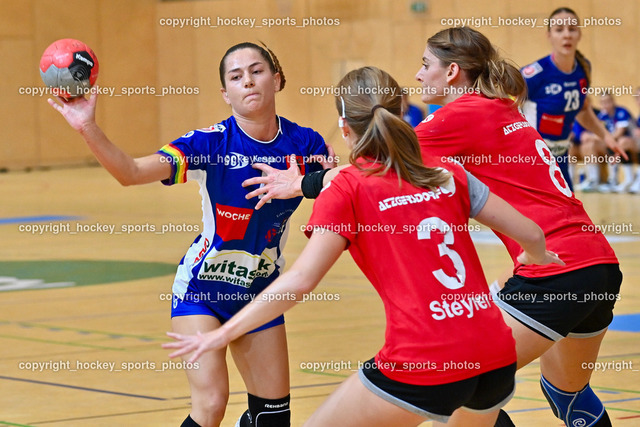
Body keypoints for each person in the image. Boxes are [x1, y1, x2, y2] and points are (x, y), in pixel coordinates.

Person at [163, 66, 564, 427]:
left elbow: (300, 281)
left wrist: (222, 334)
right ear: (401, 113)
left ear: (344, 126)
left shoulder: (347, 187)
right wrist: (538, 257)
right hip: (495, 353)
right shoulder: (446, 172)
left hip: (425, 358)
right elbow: (532, 233)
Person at [48, 42, 330, 427]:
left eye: (257, 71)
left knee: (274, 419)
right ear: (225, 93)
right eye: (236, 77)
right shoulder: (209, 144)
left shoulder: (305, 144)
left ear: (277, 79)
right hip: (202, 291)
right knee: (211, 404)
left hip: (259, 292)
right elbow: (131, 172)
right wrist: (87, 127)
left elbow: (346, 181)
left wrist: (304, 183)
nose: (248, 81)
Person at [413, 26, 622, 427]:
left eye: (426, 64)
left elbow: (376, 165)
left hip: (555, 272)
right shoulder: (502, 107)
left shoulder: (461, 113)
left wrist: (307, 182)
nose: (419, 75)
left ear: (452, 71)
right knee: (569, 395)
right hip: (598, 265)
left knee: (459, 386)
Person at [520, 7, 626, 192]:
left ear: (579, 34)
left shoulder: (583, 69)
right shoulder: (533, 75)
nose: (567, 35)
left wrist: (606, 136)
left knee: (569, 207)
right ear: (549, 35)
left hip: (561, 156)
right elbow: (503, 110)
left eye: (572, 29)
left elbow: (582, 110)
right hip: (533, 159)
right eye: (559, 30)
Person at [580, 93, 636, 192]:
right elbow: (597, 133)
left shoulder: (621, 112)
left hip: (632, 143)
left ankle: (621, 180)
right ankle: (593, 180)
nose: (605, 105)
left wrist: (596, 137)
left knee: (620, 142)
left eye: (607, 101)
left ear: (613, 101)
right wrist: (590, 136)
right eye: (602, 102)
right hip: (614, 144)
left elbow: (618, 134)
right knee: (589, 145)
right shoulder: (602, 115)